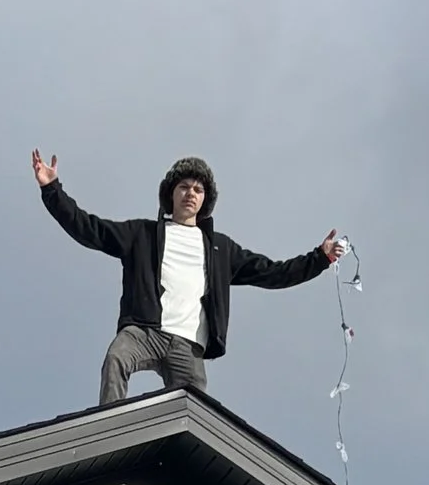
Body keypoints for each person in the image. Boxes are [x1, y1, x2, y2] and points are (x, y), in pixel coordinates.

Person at [32, 150, 344, 406]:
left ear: (205, 199)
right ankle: (109, 425)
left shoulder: (221, 249)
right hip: (144, 332)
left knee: (196, 411)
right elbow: (89, 228)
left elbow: (273, 272)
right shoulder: (141, 234)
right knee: (116, 358)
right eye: (183, 187)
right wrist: (52, 190)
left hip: (188, 345)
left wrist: (320, 258)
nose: (190, 194)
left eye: (197, 189)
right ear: (171, 194)